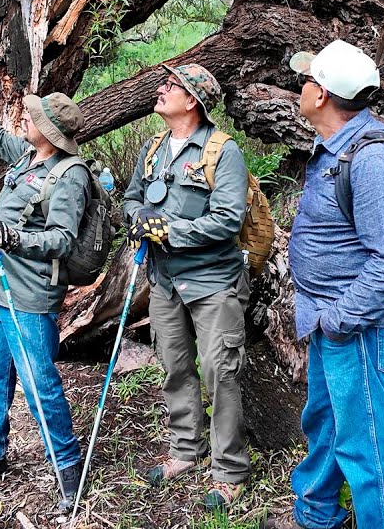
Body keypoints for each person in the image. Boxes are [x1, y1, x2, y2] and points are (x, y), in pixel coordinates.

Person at [263, 39, 384, 529]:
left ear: (322, 95)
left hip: (360, 328)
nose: (300, 86)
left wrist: (338, 319)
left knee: (369, 446)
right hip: (332, 322)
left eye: (308, 79)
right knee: (326, 426)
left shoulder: (372, 161)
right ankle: (316, 515)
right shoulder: (335, 150)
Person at [0, 74, 89, 511]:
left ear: (50, 131)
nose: (26, 118)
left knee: (38, 382)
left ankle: (67, 464)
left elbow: (63, 238)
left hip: (30, 295)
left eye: (34, 116)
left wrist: (12, 236)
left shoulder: (70, 175)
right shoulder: (26, 155)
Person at [122, 63, 251, 510]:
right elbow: (132, 196)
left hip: (213, 283)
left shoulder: (223, 152)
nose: (161, 89)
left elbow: (228, 218)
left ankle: (229, 471)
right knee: (176, 367)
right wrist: (139, 220)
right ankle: (185, 450)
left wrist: (170, 231)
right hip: (164, 282)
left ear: (191, 100)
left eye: (171, 85)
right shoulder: (154, 146)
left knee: (221, 375)